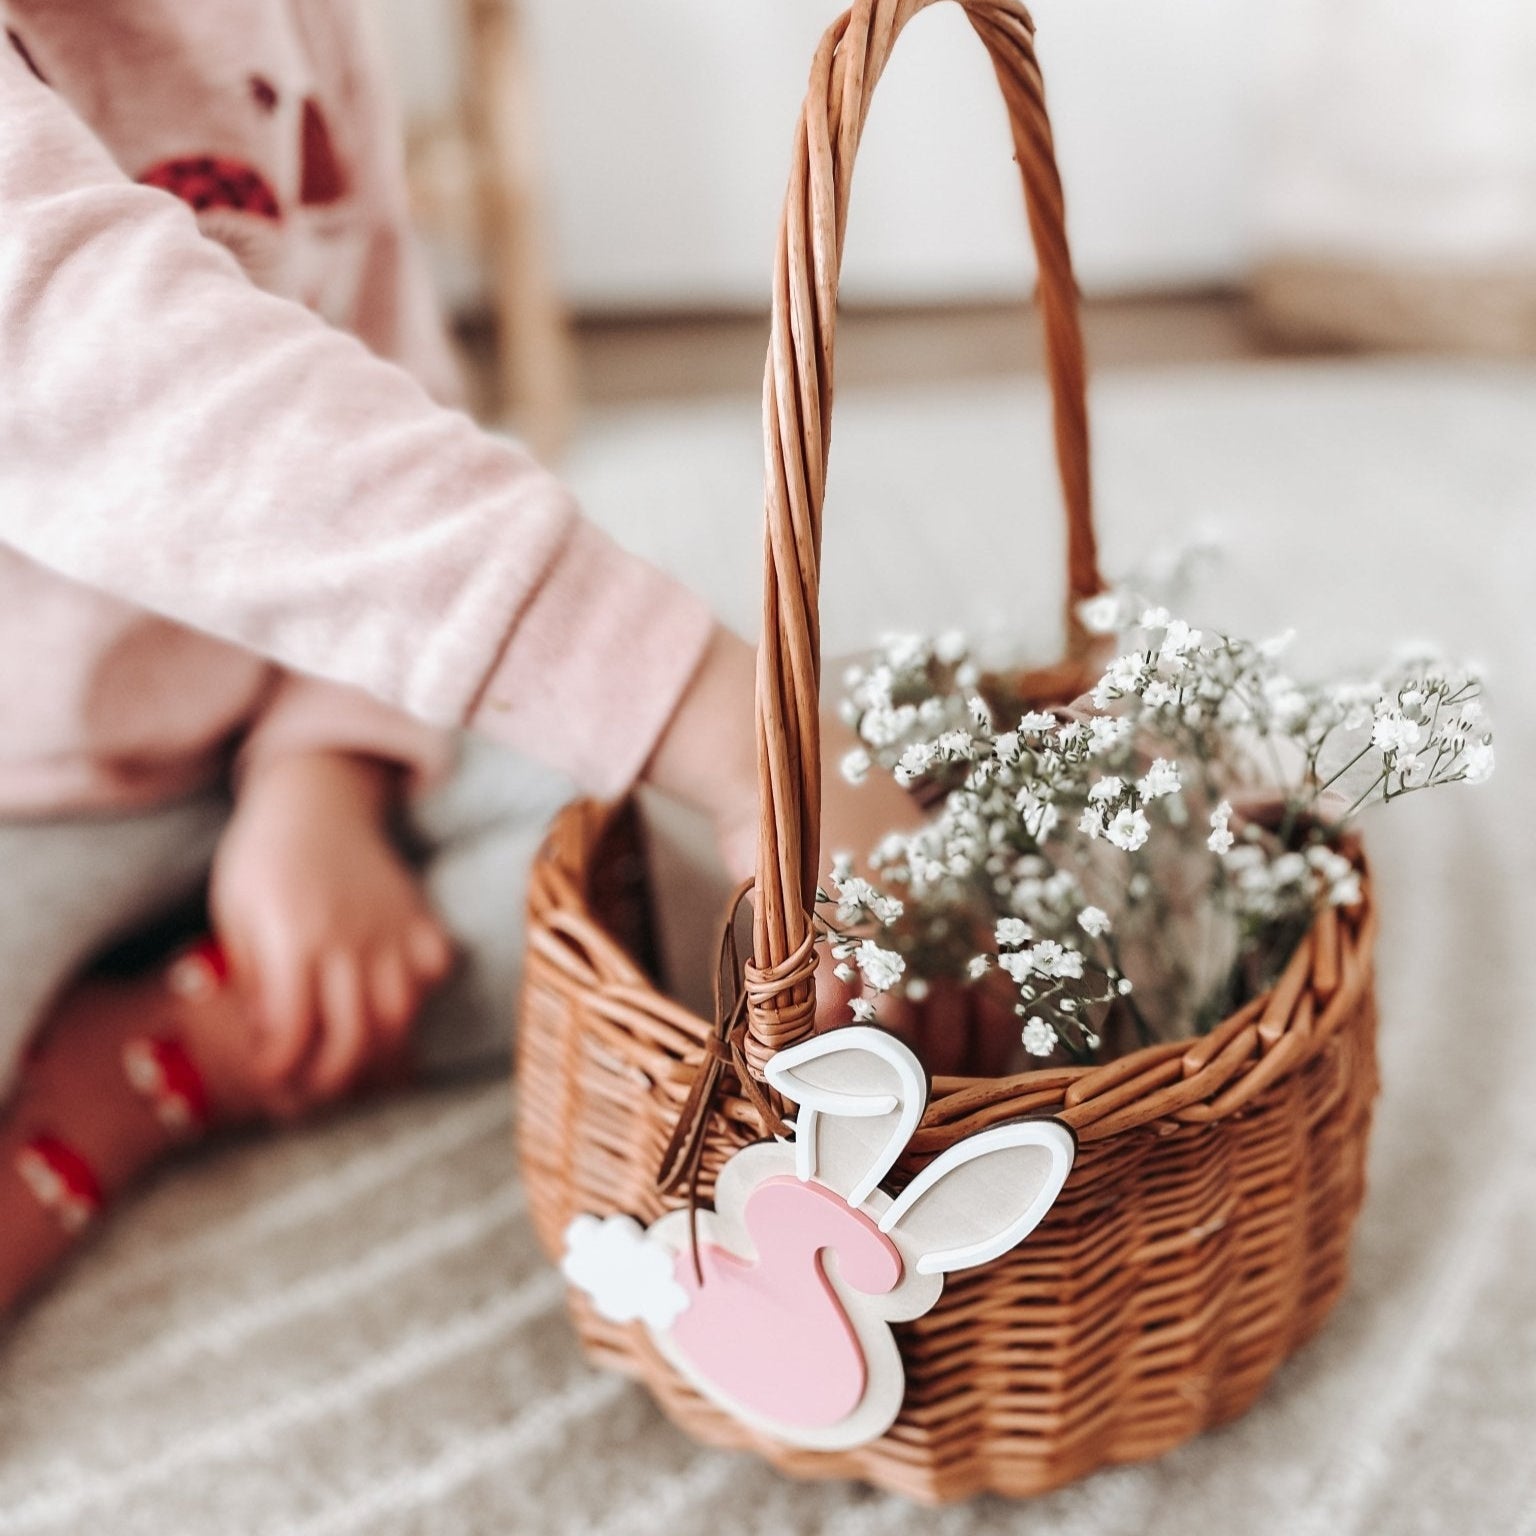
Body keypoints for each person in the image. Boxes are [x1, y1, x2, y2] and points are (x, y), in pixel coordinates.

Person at [0, 2, 907, 1315]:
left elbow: (377, 376)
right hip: (20, 797)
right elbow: (122, 384)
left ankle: (221, 1006)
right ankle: (170, 1046)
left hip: (277, 690)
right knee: (702, 798)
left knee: (696, 887)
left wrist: (325, 770)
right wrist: (720, 725)